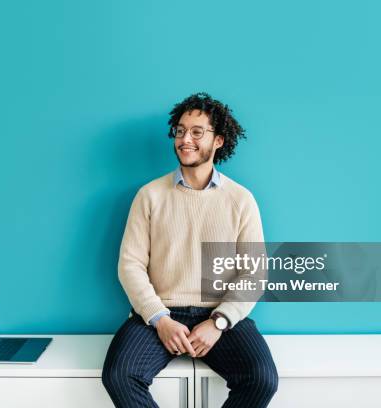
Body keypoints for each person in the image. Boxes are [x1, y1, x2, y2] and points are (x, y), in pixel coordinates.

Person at [102, 93, 278, 407]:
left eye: (197, 132)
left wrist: (219, 322)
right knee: (118, 375)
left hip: (219, 315)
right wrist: (160, 319)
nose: (186, 139)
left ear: (219, 140)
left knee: (262, 379)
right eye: (181, 131)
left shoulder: (241, 200)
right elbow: (130, 265)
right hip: (159, 314)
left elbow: (254, 272)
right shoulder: (150, 195)